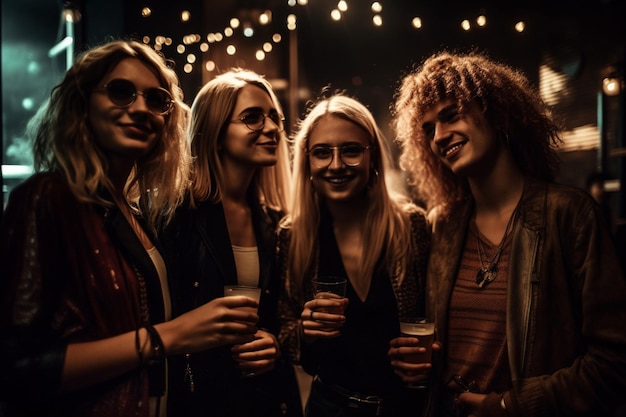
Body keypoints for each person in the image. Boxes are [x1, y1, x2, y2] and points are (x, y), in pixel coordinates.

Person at [0, 40, 262, 417]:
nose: (140, 109)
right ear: (82, 103)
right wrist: (171, 335)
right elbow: (16, 369)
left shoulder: (129, 211)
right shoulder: (49, 197)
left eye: (156, 100)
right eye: (121, 92)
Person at [390, 50, 626, 417]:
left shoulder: (569, 215)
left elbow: (614, 362)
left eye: (451, 115)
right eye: (427, 129)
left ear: (497, 112)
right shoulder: (442, 225)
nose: (438, 136)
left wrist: (508, 406)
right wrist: (418, 363)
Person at [277, 93, 431, 417]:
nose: (336, 165)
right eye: (321, 153)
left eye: (350, 151)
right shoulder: (293, 236)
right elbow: (285, 330)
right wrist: (304, 331)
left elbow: (437, 316)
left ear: (372, 156)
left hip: (406, 408)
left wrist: (432, 353)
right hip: (329, 406)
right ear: (307, 162)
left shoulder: (411, 225)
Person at [162, 68, 302, 417]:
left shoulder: (274, 221)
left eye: (274, 117)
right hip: (197, 399)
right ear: (216, 132)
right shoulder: (176, 215)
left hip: (262, 398)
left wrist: (275, 344)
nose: (271, 128)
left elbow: (278, 318)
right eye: (252, 118)